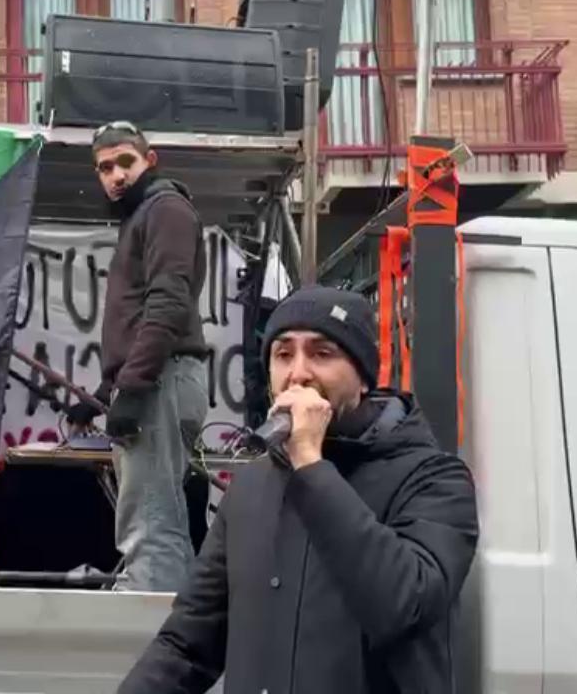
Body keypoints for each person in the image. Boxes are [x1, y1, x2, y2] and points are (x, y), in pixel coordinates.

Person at [118, 286, 480, 693]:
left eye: (322, 353)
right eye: (283, 354)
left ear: (364, 378)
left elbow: (404, 604)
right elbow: (188, 644)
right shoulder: (252, 486)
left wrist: (309, 461)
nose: (299, 373)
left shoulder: (435, 479)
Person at [66, 120, 210, 593]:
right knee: (160, 517)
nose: (115, 175)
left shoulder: (164, 209)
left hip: (160, 381)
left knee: (149, 523)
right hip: (159, 379)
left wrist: (132, 387)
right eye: (104, 168)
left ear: (150, 161)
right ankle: (178, 625)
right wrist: (104, 392)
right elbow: (143, 319)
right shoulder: (149, 214)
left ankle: (151, 628)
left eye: (125, 162)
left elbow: (168, 303)